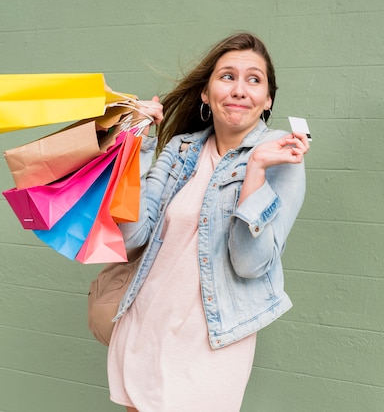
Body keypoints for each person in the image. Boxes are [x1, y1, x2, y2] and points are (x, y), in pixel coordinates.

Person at [107, 32, 310, 412]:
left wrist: (256, 170)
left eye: (253, 79)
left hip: (213, 339)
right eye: (227, 76)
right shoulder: (180, 148)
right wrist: (138, 147)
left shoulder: (281, 155)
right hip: (146, 324)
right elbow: (133, 236)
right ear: (206, 93)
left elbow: (250, 264)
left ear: (268, 100)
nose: (239, 89)